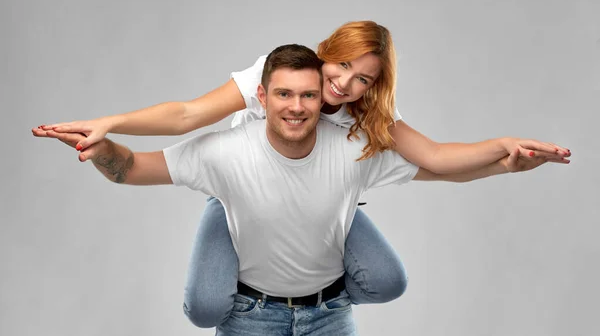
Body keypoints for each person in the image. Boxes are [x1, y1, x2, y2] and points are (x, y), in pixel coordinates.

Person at [33, 21, 570, 328]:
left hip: (330, 198)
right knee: (205, 302)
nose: (344, 86)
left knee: (384, 276)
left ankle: (318, 270)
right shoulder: (280, 70)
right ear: (322, 56)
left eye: (362, 80)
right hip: (240, 193)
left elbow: (434, 160)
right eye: (339, 68)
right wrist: (109, 124)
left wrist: (505, 153)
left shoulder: (362, 123)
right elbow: (188, 116)